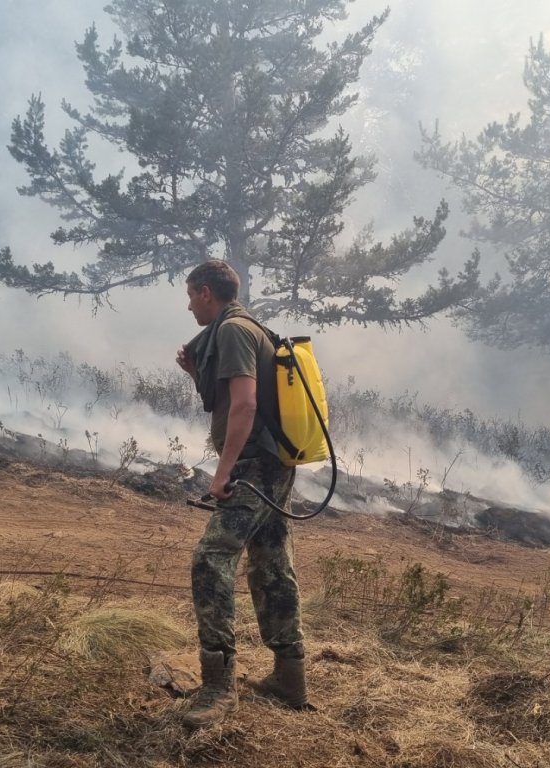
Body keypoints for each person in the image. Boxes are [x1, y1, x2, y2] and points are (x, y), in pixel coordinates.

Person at [175, 259, 312, 729]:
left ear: (207, 292)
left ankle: (218, 686)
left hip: (253, 467)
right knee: (272, 562)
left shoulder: (232, 331)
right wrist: (197, 372)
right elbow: (229, 397)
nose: (189, 305)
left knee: (210, 557)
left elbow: (246, 404)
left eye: (191, 296)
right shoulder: (252, 327)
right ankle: (289, 676)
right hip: (274, 465)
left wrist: (223, 472)